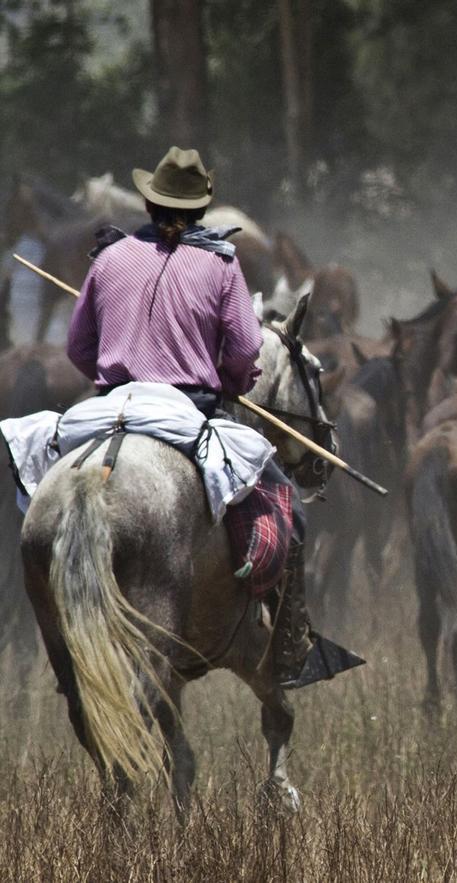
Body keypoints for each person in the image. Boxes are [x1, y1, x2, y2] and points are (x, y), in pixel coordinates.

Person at [66, 146, 352, 689]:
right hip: (186, 410)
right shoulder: (221, 264)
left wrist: (112, 370)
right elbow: (246, 354)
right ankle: (289, 647)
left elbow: (79, 349)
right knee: (289, 512)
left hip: (111, 408)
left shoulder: (108, 258)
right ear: (200, 211)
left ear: (149, 204)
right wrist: (228, 381)